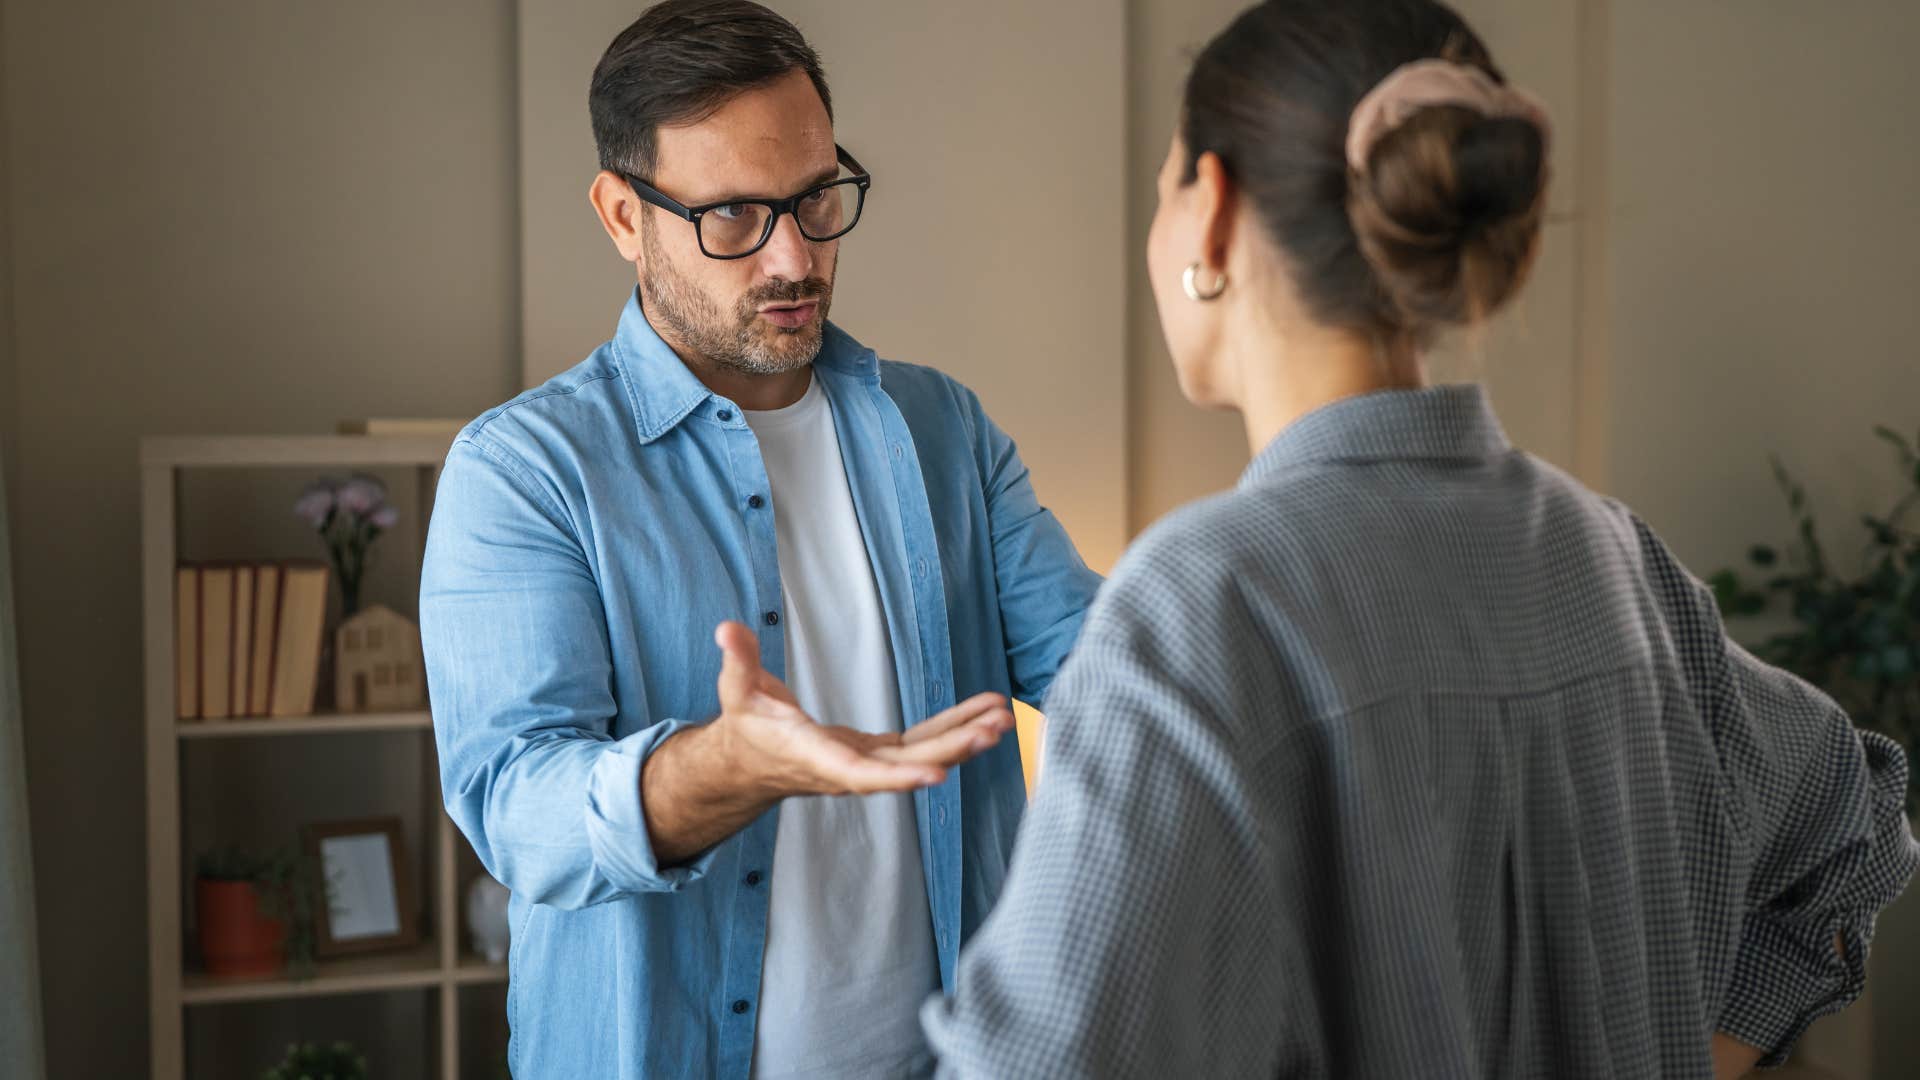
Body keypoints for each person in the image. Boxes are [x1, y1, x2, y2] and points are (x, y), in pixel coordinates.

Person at [922, 1, 1918, 1077]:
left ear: (1210, 212)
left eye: (1164, 184)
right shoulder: (1620, 565)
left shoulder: (1200, 605)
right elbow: (1852, 822)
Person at [418, 3, 1101, 1078]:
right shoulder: (524, 471)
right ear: (620, 215)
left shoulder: (943, 430)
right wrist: (720, 771)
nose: (794, 256)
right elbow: (519, 808)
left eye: (817, 199)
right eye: (734, 214)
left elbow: (1100, 665)